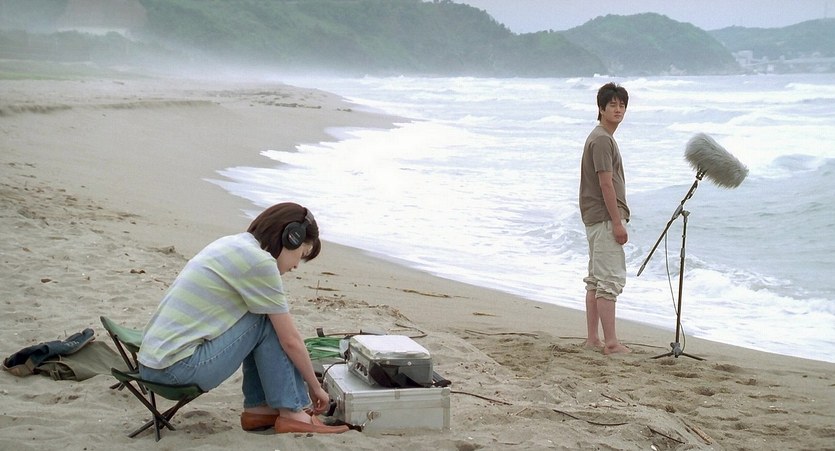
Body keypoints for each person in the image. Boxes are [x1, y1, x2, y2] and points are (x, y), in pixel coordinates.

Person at [137, 202, 349, 434]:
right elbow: (290, 340)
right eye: (302, 254)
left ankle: (260, 409)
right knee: (267, 320)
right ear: (291, 238)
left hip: (151, 364)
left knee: (263, 313)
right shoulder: (261, 263)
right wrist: (315, 387)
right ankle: (293, 411)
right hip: (175, 370)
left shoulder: (233, 243)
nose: (297, 265)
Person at [578, 82, 632, 355]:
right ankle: (610, 342)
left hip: (595, 217)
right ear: (601, 108)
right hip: (604, 218)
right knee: (608, 281)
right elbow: (605, 183)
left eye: (622, 105)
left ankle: (593, 339)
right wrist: (617, 223)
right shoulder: (602, 139)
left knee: (596, 280)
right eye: (612, 105)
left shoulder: (601, 137)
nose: (618, 109)